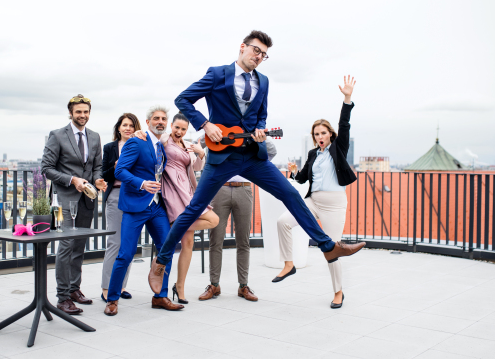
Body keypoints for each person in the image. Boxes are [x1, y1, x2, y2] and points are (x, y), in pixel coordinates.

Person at [148, 31, 365, 296]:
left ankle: (327, 247)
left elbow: (260, 116)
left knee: (289, 193)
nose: (259, 57)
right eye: (256, 51)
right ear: (242, 47)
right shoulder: (217, 74)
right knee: (193, 209)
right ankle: (161, 261)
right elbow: (183, 99)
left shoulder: (263, 82)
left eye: (264, 54)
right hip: (221, 159)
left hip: (252, 156)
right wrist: (206, 124)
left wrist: (260, 130)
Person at [276, 76, 357, 309]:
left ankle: (338, 292)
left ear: (330, 134)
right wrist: (292, 173)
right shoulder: (313, 155)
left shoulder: (338, 148)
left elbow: (345, 124)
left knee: (331, 250)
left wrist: (347, 98)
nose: (319, 137)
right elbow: (302, 178)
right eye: (316, 134)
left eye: (323, 133)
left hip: (334, 204)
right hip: (312, 201)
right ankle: (289, 263)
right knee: (283, 222)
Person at [104, 106, 184, 316]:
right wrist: (141, 184)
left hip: (157, 207)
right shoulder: (136, 141)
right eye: (156, 118)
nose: (160, 121)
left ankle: (160, 296)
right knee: (126, 253)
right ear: (147, 122)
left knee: (166, 250)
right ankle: (112, 299)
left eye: (163, 119)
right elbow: (120, 170)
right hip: (135, 206)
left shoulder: (161, 144)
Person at [135, 113, 219, 304]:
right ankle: (178, 285)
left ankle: (180, 286)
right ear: (171, 126)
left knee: (189, 243)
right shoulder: (165, 139)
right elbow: (152, 137)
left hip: (187, 191)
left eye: (183, 129)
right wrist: (141, 132)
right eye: (177, 127)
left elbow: (195, 167)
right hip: (173, 191)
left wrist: (201, 153)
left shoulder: (187, 144)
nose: (179, 132)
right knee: (212, 220)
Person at [41, 94, 107, 315]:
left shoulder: (95, 137)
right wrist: (72, 180)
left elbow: (98, 166)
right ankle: (62, 298)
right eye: (78, 112)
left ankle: (73, 289)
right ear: (70, 113)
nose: (83, 115)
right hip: (66, 199)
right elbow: (47, 168)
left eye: (86, 112)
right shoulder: (58, 135)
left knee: (79, 246)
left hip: (87, 199)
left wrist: (97, 180)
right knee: (66, 246)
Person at [199, 139, 276, 303]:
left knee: (243, 241)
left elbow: (272, 151)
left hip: (244, 189)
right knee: (215, 239)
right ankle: (214, 284)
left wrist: (259, 136)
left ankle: (243, 285)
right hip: (220, 189)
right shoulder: (221, 134)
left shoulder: (250, 139)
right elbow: (202, 146)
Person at [100, 113, 142, 302]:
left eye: (131, 126)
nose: (128, 128)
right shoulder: (110, 148)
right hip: (116, 195)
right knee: (115, 243)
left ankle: (121, 285)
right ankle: (107, 288)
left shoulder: (140, 145)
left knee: (129, 244)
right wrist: (117, 165)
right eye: (124, 125)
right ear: (118, 128)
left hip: (134, 195)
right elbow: (105, 175)